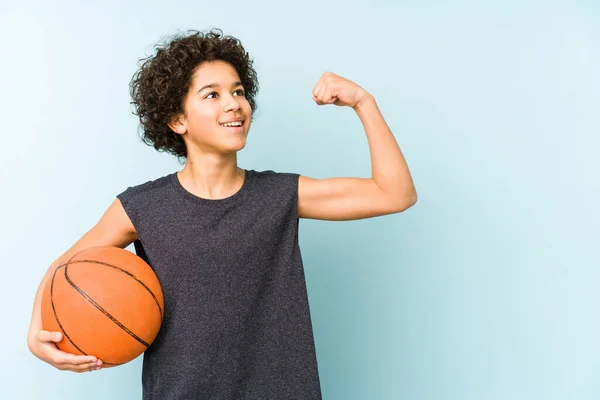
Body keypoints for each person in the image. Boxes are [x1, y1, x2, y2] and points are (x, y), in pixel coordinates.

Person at [27, 28, 417, 399]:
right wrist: (35, 333)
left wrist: (364, 103)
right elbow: (64, 269)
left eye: (238, 91)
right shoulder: (141, 207)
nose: (234, 103)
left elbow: (395, 193)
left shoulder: (281, 195)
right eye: (211, 95)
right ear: (177, 120)